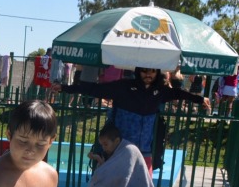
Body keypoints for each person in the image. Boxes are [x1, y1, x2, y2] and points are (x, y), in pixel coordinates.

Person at [52, 67, 211, 174]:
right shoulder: (123, 87)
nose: (148, 75)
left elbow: (179, 94)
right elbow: (94, 89)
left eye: (152, 72)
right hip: (120, 149)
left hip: (144, 151)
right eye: (144, 71)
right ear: (138, 71)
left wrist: (200, 99)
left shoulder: (160, 91)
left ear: (157, 73)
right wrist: (65, 88)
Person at [88, 123, 155, 187]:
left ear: (117, 141)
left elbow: (115, 176)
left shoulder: (129, 151)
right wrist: (98, 159)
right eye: (102, 145)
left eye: (105, 144)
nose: (103, 148)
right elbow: (107, 170)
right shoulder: (117, 151)